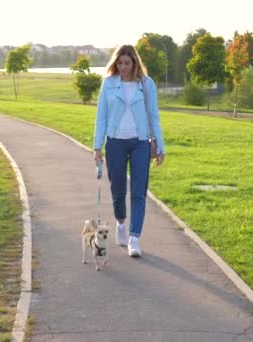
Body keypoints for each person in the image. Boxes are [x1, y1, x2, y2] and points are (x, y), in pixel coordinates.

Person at [92, 44, 165, 257]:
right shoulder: (108, 84)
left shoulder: (146, 84)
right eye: (120, 63)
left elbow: (154, 116)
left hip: (140, 143)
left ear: (135, 63)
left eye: (127, 63)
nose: (123, 67)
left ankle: (134, 238)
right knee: (118, 190)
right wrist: (97, 147)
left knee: (139, 191)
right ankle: (121, 223)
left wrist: (159, 146)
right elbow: (101, 117)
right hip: (115, 142)